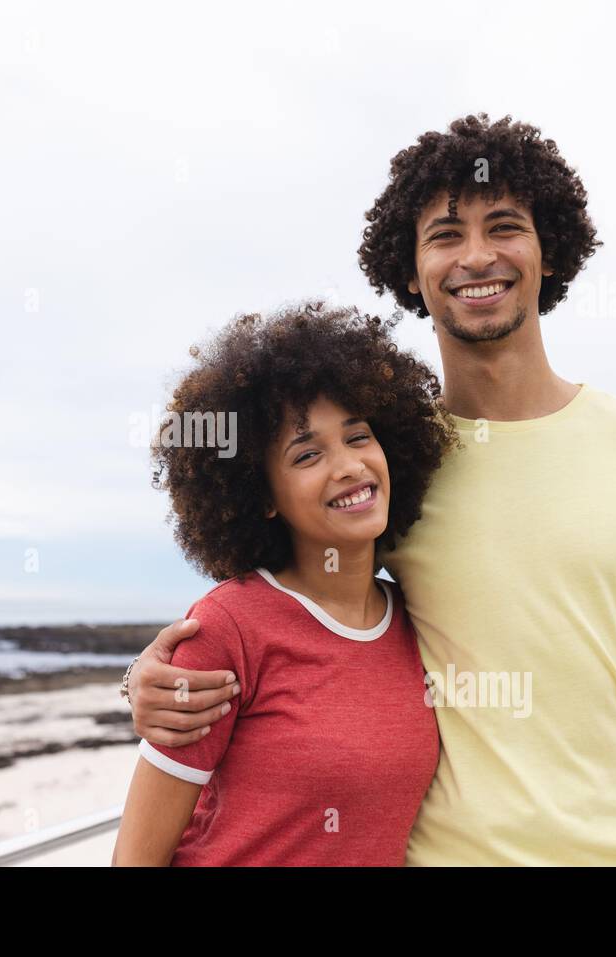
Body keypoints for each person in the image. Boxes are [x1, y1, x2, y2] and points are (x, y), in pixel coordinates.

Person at [127, 113, 616, 866]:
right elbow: (276, 612)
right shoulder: (389, 474)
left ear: (548, 249)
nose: (477, 256)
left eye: (505, 226)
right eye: (444, 235)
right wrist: (141, 681)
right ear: (410, 269)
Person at [113, 302, 455, 865]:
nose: (347, 466)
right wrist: (132, 681)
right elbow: (135, 859)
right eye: (308, 454)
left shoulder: (419, 618)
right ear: (264, 497)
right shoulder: (227, 625)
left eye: (359, 436)